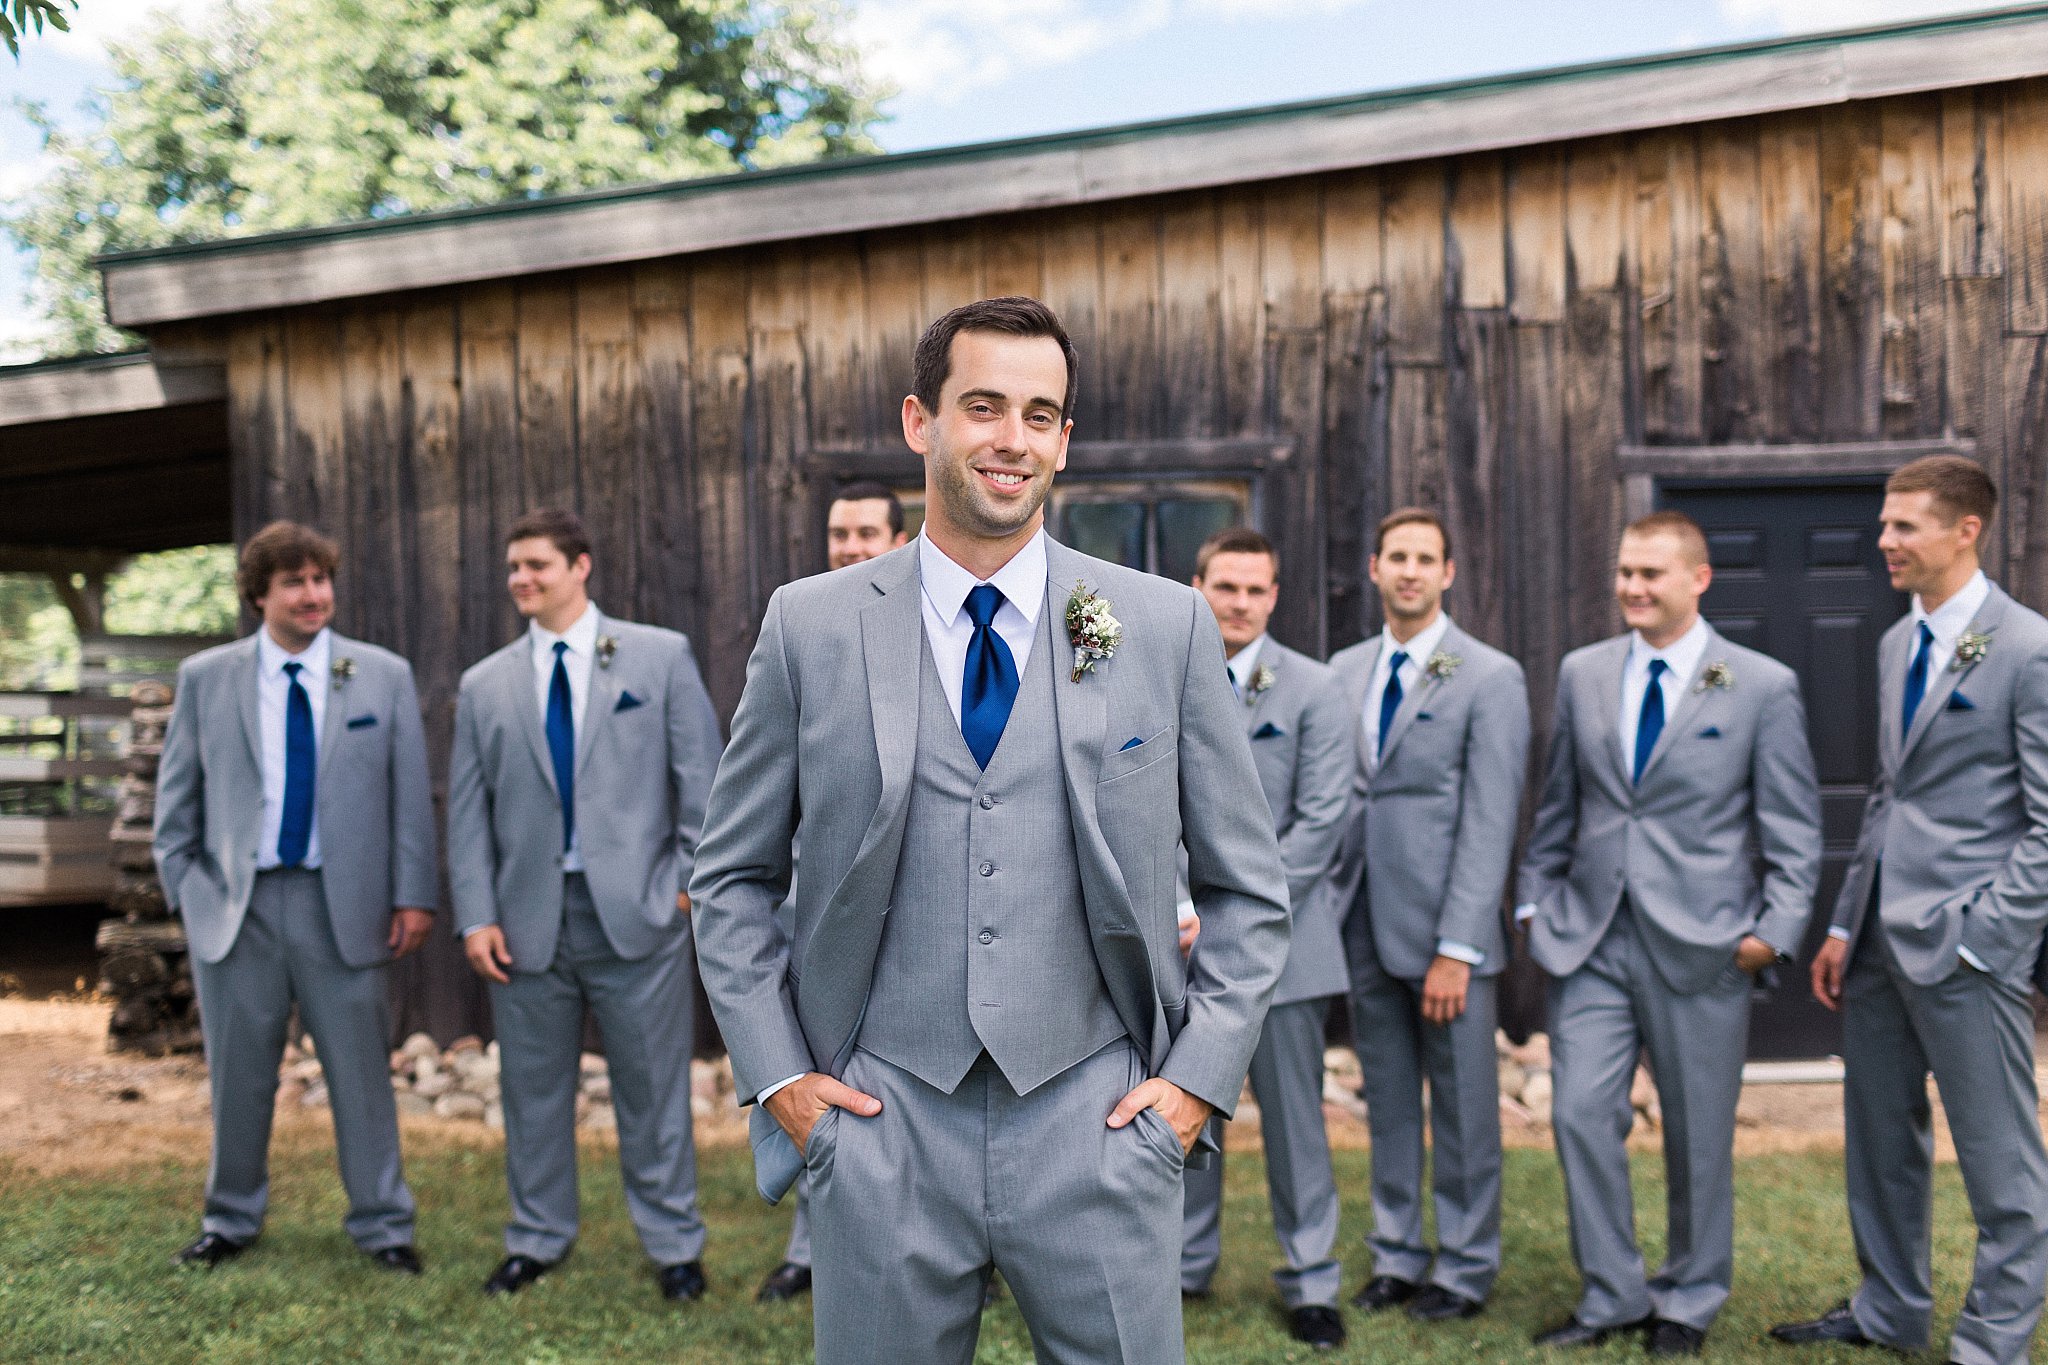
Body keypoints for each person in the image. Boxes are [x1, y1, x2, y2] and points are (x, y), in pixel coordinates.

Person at [691, 295, 1290, 1364]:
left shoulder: (1160, 623)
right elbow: (729, 874)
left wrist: (1194, 1084)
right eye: (982, 406)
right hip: (878, 1121)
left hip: (1099, 1120)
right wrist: (782, 1083)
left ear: (1063, 440)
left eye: (1039, 413)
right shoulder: (809, 625)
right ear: (920, 422)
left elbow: (1248, 886)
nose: (1011, 438)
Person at [1516, 509, 1821, 1356]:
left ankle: (1688, 1295)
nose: (1633, 589)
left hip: (1708, 940)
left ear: (1699, 578)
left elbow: (1793, 828)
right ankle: (1612, 1291)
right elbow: (1560, 802)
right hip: (1590, 937)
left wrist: (1774, 931)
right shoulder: (1583, 671)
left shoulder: (1760, 684)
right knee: (1579, 1113)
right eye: (1624, 572)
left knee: (1695, 1130)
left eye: (1651, 574)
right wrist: (1534, 901)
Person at [1770, 456, 2048, 1365]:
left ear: (1966, 529)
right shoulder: (1898, 642)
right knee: (1881, 1140)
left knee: (2002, 1168)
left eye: (1902, 526)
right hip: (1883, 941)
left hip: (1970, 948)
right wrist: (1847, 922)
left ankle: (1991, 1344)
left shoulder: (2028, 648)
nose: (1883, 541)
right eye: (1885, 524)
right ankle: (1889, 1308)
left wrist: (1990, 941)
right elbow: (1890, 796)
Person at [447, 509, 724, 1303]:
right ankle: (535, 1237)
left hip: (640, 914)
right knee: (532, 1092)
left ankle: (674, 1243)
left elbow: (701, 785)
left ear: (581, 565)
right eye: (512, 567)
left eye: (536, 564)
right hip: (526, 920)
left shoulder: (658, 657)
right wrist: (477, 915)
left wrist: (683, 886)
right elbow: (466, 814)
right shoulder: (484, 684)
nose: (520, 580)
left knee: (653, 1090)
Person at [153, 520, 436, 1272]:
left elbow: (409, 797)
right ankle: (229, 1218)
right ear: (259, 595)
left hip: (344, 909)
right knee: (239, 1077)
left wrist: (413, 895)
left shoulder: (382, 675)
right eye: (295, 583)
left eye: (321, 580)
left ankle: (383, 1225)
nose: (314, 595)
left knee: (361, 1075)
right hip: (237, 912)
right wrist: (190, 890)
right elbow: (175, 803)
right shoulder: (207, 678)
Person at [1324, 508, 1529, 1327]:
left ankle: (1468, 1264)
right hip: (1361, 916)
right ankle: (1398, 1253)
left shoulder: (1489, 674)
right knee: (1390, 1100)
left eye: (1425, 559)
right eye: (1396, 557)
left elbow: (1491, 816)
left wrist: (1459, 945)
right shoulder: (1342, 669)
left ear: (1448, 572)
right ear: (1374, 567)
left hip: (1447, 930)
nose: (1409, 571)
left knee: (1466, 1102)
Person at [1176, 528, 1352, 1350]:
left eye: (1255, 589)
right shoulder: (1162, 675)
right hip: (1172, 941)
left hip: (1286, 946)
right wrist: (1175, 903)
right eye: (1226, 586)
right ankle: (1179, 1263)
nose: (1240, 601)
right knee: (1180, 1114)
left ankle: (1311, 1279)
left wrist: (1233, 910)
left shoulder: (1314, 690)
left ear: (1274, 596)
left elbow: (1321, 823)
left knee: (1295, 1123)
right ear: (1198, 585)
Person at [758, 480, 912, 1305]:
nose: (850, 546)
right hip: (821, 917)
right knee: (824, 1082)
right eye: (838, 533)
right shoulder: (803, 626)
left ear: (898, 535)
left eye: (864, 532)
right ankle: (810, 1247)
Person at [825, 481, 910, 571]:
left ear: (899, 544)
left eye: (867, 534)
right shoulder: (811, 584)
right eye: (839, 535)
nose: (851, 549)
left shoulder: (920, 585)